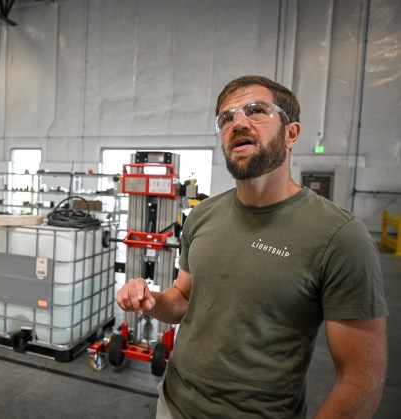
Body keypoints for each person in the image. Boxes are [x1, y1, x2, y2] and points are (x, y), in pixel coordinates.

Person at [116, 75, 388, 418]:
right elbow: (183, 300)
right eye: (226, 118)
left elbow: (360, 382)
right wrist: (150, 299)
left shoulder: (340, 236)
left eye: (256, 110)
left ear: (291, 134)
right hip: (172, 405)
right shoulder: (202, 217)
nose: (237, 123)